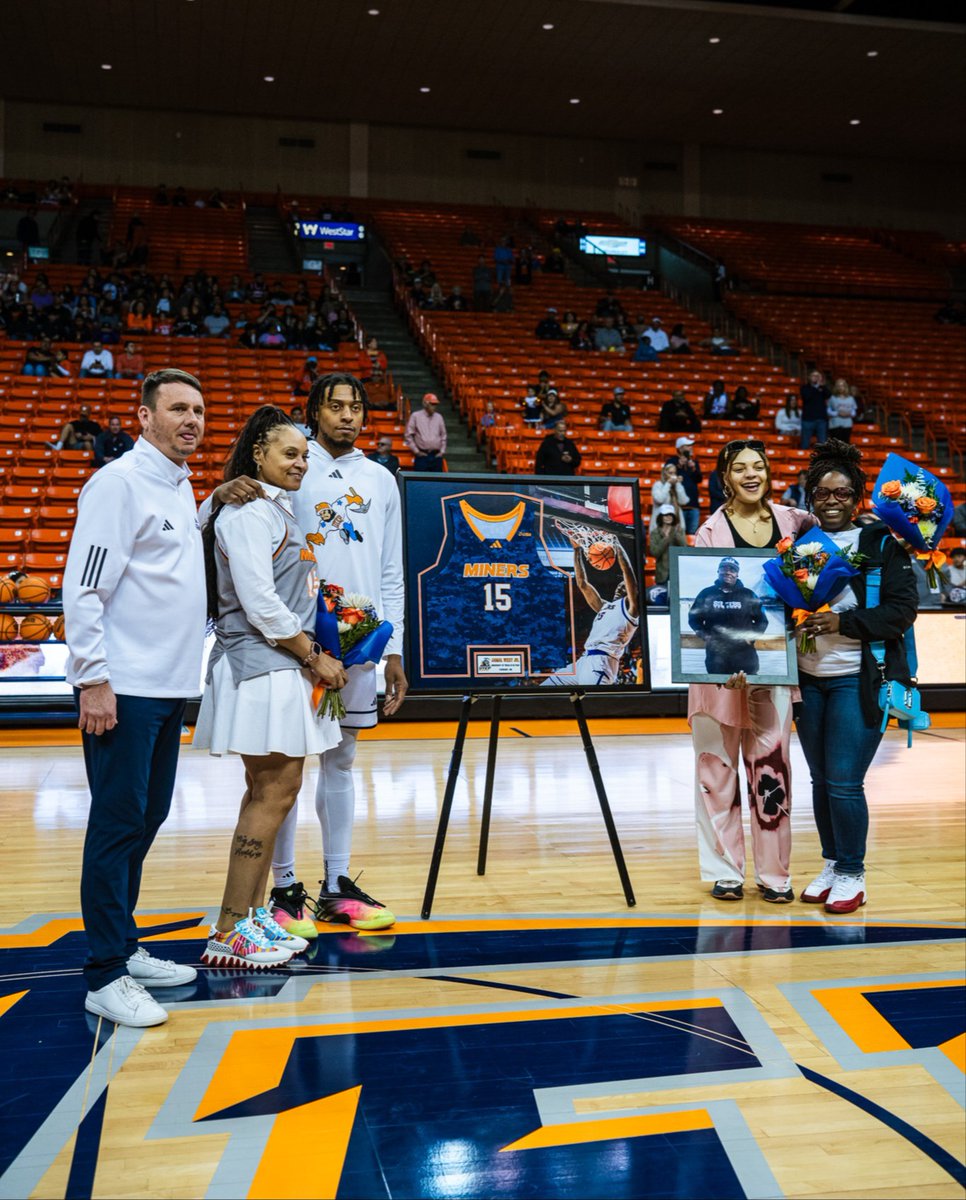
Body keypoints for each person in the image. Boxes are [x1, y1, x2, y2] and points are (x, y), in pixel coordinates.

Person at [62, 370, 211, 1028]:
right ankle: (104, 974)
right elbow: (85, 585)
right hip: (122, 688)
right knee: (117, 825)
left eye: (199, 411)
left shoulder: (178, 487)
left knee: (144, 820)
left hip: (168, 686)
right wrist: (93, 676)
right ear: (144, 417)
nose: (191, 420)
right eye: (177, 409)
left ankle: (124, 948)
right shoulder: (118, 484)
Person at [195, 407, 347, 967]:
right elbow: (259, 601)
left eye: (305, 455)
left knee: (267, 793)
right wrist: (314, 656)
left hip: (273, 666)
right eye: (290, 453)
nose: (302, 463)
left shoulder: (267, 509)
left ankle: (247, 917)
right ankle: (230, 930)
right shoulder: (248, 511)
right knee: (274, 792)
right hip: (265, 666)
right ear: (258, 454)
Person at [268, 373, 407, 932]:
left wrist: (392, 649)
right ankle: (283, 885)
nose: (347, 416)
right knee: (284, 766)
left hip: (358, 642)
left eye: (356, 407)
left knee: (342, 760)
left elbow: (391, 569)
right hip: (297, 639)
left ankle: (336, 883)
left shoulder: (381, 479)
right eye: (335, 406)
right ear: (314, 412)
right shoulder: (291, 466)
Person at [688, 438, 817, 904]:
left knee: (773, 771)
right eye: (740, 467)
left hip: (771, 667)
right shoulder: (707, 534)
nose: (750, 474)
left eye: (758, 466)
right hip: (717, 674)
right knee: (716, 770)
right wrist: (722, 652)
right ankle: (725, 869)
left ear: (768, 472)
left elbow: (819, 567)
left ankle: (775, 875)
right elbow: (695, 613)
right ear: (725, 477)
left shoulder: (795, 523)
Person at [794, 440, 918, 914]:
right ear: (810, 497)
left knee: (845, 782)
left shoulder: (882, 544)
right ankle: (832, 862)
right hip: (808, 678)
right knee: (821, 781)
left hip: (856, 678)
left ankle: (852, 873)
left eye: (842, 493)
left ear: (857, 498)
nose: (831, 500)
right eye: (822, 492)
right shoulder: (802, 545)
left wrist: (841, 623)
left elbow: (901, 612)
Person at [543, 526, 639, 685]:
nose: (619, 587)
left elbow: (627, 572)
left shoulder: (630, 611)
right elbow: (582, 584)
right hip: (584, 661)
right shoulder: (604, 607)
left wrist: (618, 546)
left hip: (602, 663)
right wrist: (576, 550)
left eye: (623, 587)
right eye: (619, 586)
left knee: (593, 706)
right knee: (545, 690)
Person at [689, 555, 768, 676]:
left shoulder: (749, 594)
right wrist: (705, 635)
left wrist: (751, 637)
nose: (727, 572)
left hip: (745, 657)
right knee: (718, 692)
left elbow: (762, 621)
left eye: (732, 569)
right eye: (724, 568)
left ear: (737, 574)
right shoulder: (706, 593)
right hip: (716, 658)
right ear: (718, 571)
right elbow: (694, 618)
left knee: (747, 692)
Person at [665, 436, 702, 535]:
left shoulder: (694, 462)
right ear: (680, 448)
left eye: (691, 445)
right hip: (677, 506)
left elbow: (699, 479)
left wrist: (694, 468)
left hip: (694, 505)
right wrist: (679, 466)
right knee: (678, 535)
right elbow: (666, 477)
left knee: (692, 536)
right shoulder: (671, 461)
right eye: (688, 445)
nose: (691, 447)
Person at [404, 392, 447, 471]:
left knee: (437, 481)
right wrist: (416, 451)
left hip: (436, 455)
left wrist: (442, 451)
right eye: (432, 404)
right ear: (425, 404)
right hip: (422, 455)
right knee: (420, 480)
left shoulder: (439, 417)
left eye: (435, 404)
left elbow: (443, 435)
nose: (434, 406)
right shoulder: (415, 416)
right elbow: (408, 435)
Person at [649, 505, 687, 586]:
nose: (668, 517)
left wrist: (676, 535)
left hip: (677, 572)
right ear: (661, 517)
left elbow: (684, 549)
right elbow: (654, 552)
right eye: (665, 515)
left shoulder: (679, 530)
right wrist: (666, 539)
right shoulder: (655, 533)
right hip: (662, 573)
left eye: (671, 515)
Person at [650, 461, 688, 529]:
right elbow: (660, 499)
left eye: (674, 473)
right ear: (664, 474)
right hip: (660, 525)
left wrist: (678, 484)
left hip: (676, 524)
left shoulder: (677, 486)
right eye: (670, 473)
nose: (673, 476)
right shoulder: (658, 485)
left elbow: (684, 501)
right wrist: (668, 484)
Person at [800, 369, 831, 449]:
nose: (816, 377)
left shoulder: (822, 388)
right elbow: (807, 397)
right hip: (808, 419)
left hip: (821, 419)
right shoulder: (805, 388)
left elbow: (828, 395)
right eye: (814, 375)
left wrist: (821, 385)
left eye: (817, 376)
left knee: (823, 443)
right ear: (809, 377)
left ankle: (822, 460)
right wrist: (816, 388)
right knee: (805, 442)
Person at [827, 378, 858, 443]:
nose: (840, 388)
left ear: (845, 387)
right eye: (838, 386)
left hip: (847, 425)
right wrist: (838, 413)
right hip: (835, 425)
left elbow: (854, 411)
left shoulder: (851, 398)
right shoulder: (832, 398)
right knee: (836, 445)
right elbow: (828, 410)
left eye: (842, 385)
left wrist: (848, 414)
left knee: (845, 445)